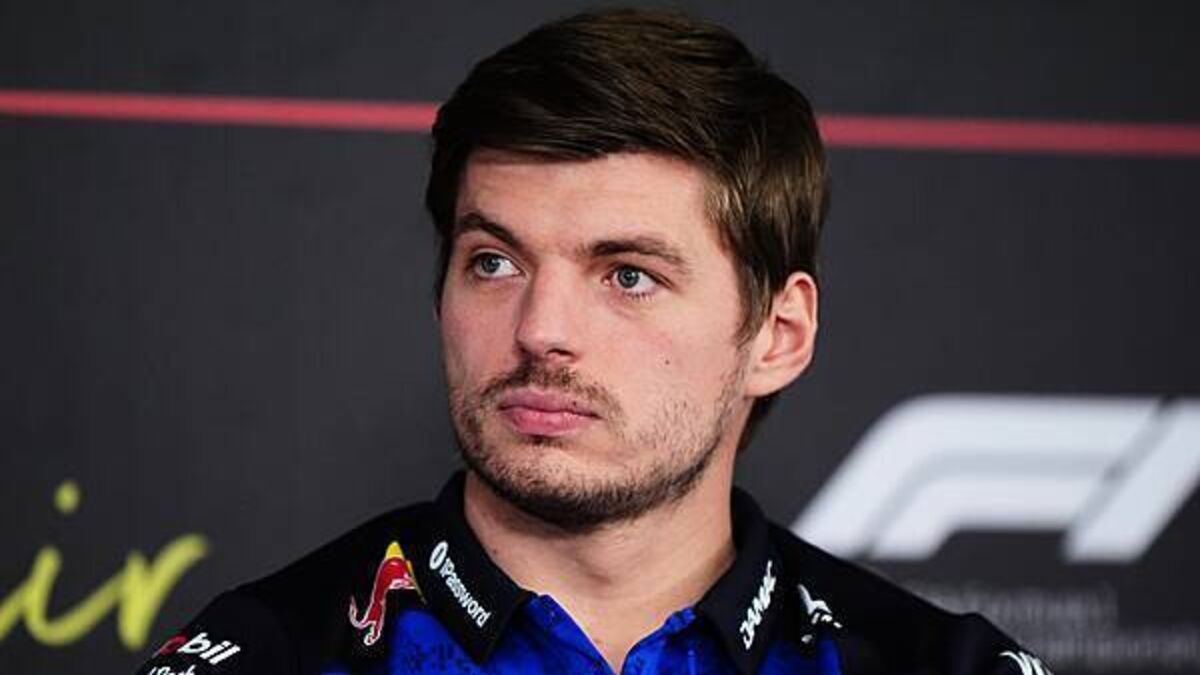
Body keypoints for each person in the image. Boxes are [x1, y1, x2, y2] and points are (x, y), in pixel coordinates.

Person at [137, 8, 1050, 675]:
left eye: (628, 276)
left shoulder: (940, 664)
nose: (540, 330)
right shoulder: (274, 651)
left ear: (777, 335)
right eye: (494, 262)